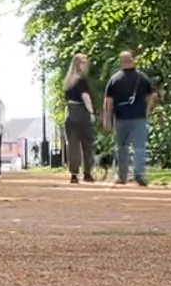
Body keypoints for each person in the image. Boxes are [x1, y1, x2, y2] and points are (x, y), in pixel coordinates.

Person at [103, 50, 159, 186]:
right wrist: (147, 109)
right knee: (139, 146)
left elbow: (108, 102)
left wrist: (107, 119)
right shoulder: (142, 77)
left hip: (121, 118)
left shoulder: (115, 79)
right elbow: (153, 95)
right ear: (132, 60)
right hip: (139, 117)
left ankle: (122, 176)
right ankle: (139, 174)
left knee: (122, 147)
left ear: (121, 62)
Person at [62, 53, 97, 184]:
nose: (85, 65)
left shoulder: (68, 82)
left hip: (71, 114)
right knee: (87, 144)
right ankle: (87, 172)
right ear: (78, 65)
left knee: (73, 145)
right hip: (82, 113)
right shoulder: (81, 81)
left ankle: (74, 173)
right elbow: (85, 97)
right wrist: (91, 112)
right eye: (83, 62)